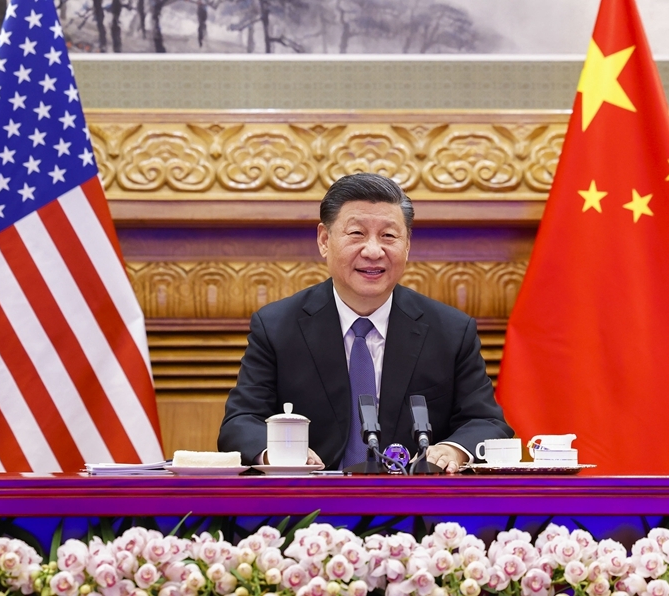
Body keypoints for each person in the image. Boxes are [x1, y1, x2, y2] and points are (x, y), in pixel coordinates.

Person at [218, 173, 513, 473]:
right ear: (324, 240)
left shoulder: (450, 331)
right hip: (309, 497)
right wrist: (279, 454)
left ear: (407, 245)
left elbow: (487, 422)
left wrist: (452, 450)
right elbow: (240, 423)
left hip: (413, 498)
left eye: (389, 236)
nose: (373, 251)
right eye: (357, 233)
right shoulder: (277, 327)